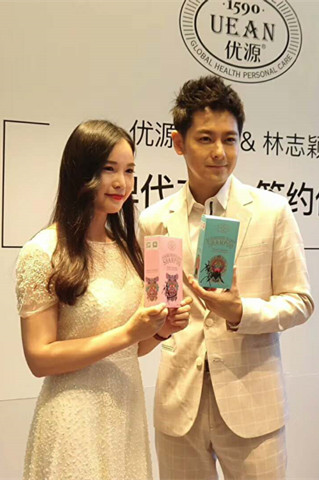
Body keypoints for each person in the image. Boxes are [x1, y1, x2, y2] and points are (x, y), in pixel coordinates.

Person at [138, 75, 314, 479]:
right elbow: (151, 307)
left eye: (229, 139)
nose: (220, 152)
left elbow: (300, 301)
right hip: (179, 407)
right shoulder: (154, 220)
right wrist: (158, 326)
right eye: (205, 139)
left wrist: (240, 312)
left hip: (253, 407)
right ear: (178, 142)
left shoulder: (271, 212)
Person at [16, 120, 191, 480]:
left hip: (126, 415)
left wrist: (159, 331)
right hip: (73, 420)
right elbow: (39, 358)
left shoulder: (127, 250)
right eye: (109, 169)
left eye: (129, 171)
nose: (121, 183)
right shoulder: (43, 251)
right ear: (80, 172)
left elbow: (130, 349)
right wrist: (129, 333)